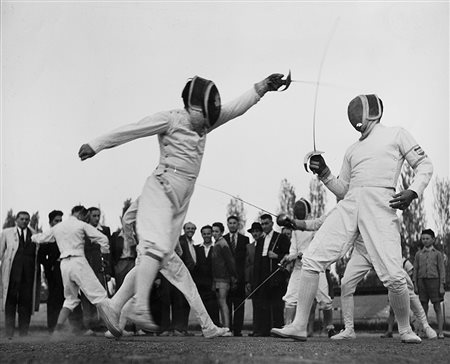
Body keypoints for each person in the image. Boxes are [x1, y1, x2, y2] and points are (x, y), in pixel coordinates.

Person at [78, 72, 287, 337]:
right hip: (162, 191)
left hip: (178, 202)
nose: (208, 122)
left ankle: (116, 308)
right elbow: (132, 129)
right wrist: (96, 144)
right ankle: (161, 314)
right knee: (171, 267)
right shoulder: (170, 118)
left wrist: (264, 87)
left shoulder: (206, 121)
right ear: (191, 107)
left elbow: (236, 109)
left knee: (150, 266)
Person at [273, 94, 433, 343]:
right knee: (313, 257)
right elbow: (344, 189)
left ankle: (405, 329)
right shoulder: (352, 149)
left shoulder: (396, 134)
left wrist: (413, 191)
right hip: (351, 204)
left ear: (373, 111)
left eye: (359, 109)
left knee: (394, 274)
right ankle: (299, 325)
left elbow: (424, 165)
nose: (356, 113)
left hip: (380, 203)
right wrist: (324, 172)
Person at [281, 212, 437, 341]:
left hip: (380, 250)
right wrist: (293, 222)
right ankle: (349, 329)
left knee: (403, 285)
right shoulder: (345, 205)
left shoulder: (371, 196)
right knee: (346, 284)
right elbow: (317, 223)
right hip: (361, 252)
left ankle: (425, 325)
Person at [31, 205, 121, 337]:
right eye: (85, 217)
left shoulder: (58, 227)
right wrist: (105, 255)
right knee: (99, 295)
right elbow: (103, 239)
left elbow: (40, 238)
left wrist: (32, 236)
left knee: (70, 300)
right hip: (78, 261)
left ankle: (56, 331)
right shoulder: (81, 225)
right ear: (81, 215)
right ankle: (114, 328)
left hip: (64, 265)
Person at [276, 199, 336, 337]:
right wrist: (288, 258)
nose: (299, 211)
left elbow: (313, 249)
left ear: (307, 211)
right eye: (297, 209)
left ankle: (330, 327)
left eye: (301, 209)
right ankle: (288, 326)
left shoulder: (313, 227)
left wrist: (295, 255)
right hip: (298, 268)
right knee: (290, 296)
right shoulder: (295, 230)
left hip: (316, 268)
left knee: (324, 299)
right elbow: (293, 249)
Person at [1, 211, 41, 337]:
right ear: (16, 220)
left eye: (26, 219)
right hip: (12, 274)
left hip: (28, 276)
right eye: (22, 219)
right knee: (10, 303)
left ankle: (24, 333)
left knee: (25, 304)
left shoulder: (34, 235)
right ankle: (9, 333)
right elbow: (1, 253)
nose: (24, 221)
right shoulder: (7, 233)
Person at [252, 214, 290, 336]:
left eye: (267, 223)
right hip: (262, 274)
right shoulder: (260, 240)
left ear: (272, 223)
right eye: (262, 224)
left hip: (276, 274)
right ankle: (264, 330)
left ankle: (278, 329)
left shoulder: (281, 237)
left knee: (277, 303)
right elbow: (256, 262)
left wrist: (276, 256)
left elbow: (288, 255)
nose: (264, 226)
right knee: (263, 303)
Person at [414, 229, 446, 339]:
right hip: (422, 282)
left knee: (437, 307)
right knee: (423, 308)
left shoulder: (437, 254)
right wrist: (415, 285)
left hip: (435, 282)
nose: (425, 241)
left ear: (433, 239)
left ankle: (440, 332)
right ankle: (425, 331)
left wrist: (441, 285)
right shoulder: (418, 254)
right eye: (423, 238)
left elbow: (442, 270)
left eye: (427, 238)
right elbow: (416, 270)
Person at [38, 210, 64, 333]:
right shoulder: (47, 237)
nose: (59, 223)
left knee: (70, 296)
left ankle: (74, 327)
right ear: (50, 222)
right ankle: (52, 327)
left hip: (67, 268)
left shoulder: (66, 235)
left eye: (60, 220)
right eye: (56, 221)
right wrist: (51, 266)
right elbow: (41, 257)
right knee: (54, 298)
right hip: (54, 271)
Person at [223, 215, 249, 337]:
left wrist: (243, 278)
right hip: (226, 279)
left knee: (239, 305)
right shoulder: (223, 240)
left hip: (240, 278)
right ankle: (228, 329)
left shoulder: (245, 240)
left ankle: (237, 330)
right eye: (230, 223)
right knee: (227, 304)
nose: (232, 225)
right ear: (227, 225)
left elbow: (246, 261)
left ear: (238, 225)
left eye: (234, 223)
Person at [211, 222, 236, 335]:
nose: (214, 233)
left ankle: (227, 328)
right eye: (213, 231)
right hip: (217, 278)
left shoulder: (223, 243)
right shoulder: (217, 243)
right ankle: (225, 327)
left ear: (221, 232)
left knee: (223, 302)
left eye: (216, 231)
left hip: (223, 279)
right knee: (220, 303)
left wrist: (233, 277)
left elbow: (230, 261)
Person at [193, 225, 220, 326]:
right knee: (202, 307)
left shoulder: (216, 247)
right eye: (204, 234)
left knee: (213, 306)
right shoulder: (196, 248)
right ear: (201, 235)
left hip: (212, 282)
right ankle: (205, 328)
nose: (206, 236)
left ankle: (215, 326)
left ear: (212, 234)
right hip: (200, 283)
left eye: (208, 233)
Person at [176, 222, 197, 336]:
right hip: (181, 276)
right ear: (184, 229)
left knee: (186, 302)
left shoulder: (191, 243)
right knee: (180, 302)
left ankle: (183, 328)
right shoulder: (181, 240)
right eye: (188, 228)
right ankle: (179, 328)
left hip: (189, 276)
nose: (191, 230)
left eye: (193, 229)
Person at [245, 222, 263, 336]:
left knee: (263, 304)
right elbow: (247, 265)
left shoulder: (264, 244)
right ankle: (256, 329)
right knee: (255, 304)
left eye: (257, 231)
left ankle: (264, 329)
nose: (255, 234)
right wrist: (248, 281)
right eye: (253, 232)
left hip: (263, 277)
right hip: (253, 278)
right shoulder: (249, 247)